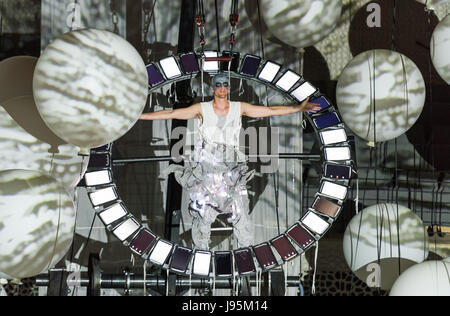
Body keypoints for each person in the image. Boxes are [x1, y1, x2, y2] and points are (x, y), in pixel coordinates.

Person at [139, 73, 321, 250]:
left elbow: (269, 111)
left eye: (225, 85)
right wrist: (140, 116)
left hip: (231, 167)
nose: (222, 88)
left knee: (241, 213)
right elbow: (172, 114)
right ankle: (201, 253)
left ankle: (245, 253)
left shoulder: (238, 107)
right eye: (218, 85)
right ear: (212, 88)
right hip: (209, 166)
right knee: (203, 215)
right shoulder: (202, 108)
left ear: (229, 88)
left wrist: (297, 109)